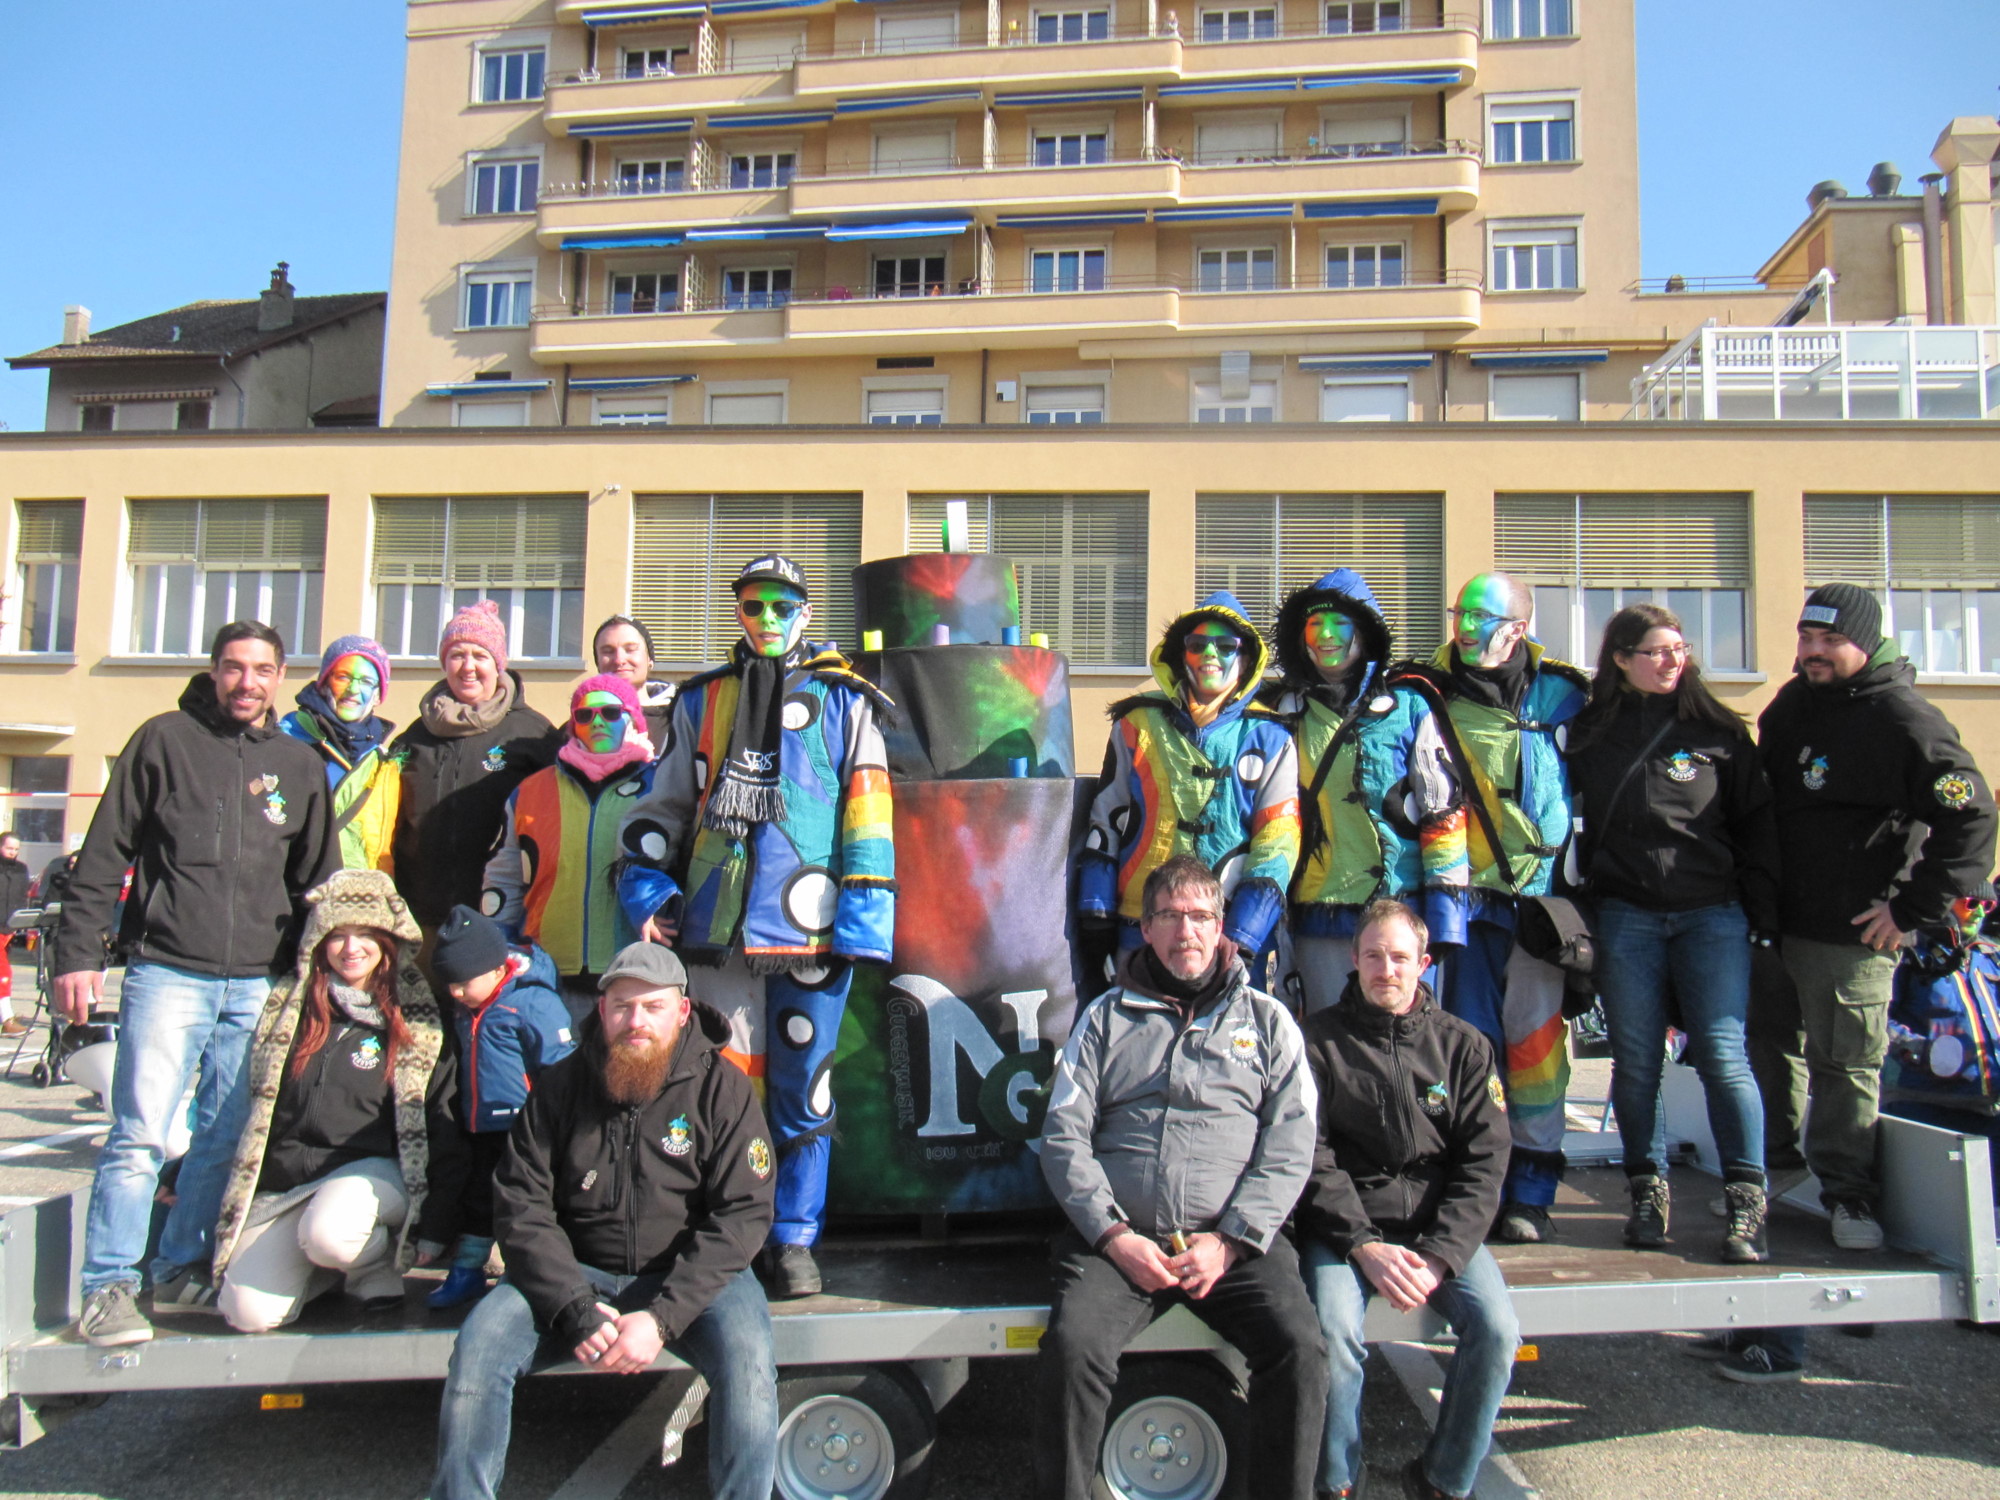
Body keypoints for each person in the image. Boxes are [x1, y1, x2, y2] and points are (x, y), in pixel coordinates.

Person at [617, 554, 894, 1299]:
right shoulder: (701, 701)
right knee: (720, 1083)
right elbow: (664, 806)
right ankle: (723, 1233)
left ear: (806, 614)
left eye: (782, 606)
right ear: (738, 612)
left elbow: (867, 807)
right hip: (717, 926)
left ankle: (794, 1237)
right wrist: (648, 892)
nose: (767, 619)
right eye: (753, 606)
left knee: (806, 1087)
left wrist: (863, 921)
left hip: (810, 927)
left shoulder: (844, 699)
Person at [56, 621, 339, 1347]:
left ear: (280, 678)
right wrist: (77, 955)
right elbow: (102, 856)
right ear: (214, 672)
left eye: (263, 670)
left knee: (226, 1135)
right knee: (141, 1134)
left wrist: (319, 976)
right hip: (167, 971)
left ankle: (180, 1264)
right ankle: (109, 1286)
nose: (248, 682)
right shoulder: (163, 742)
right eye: (234, 667)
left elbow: (319, 882)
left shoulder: (298, 764)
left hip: (256, 983)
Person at [430, 941, 778, 1500]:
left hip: (690, 1277)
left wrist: (662, 1319)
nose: (636, 1021)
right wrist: (573, 1309)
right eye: (622, 1006)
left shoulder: (724, 1088)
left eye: (652, 1007)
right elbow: (521, 1205)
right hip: (576, 1274)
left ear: (681, 1011)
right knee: (479, 1347)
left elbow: (744, 1212)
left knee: (750, 1365)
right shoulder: (559, 1086)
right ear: (602, 1009)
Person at [1035, 855, 1325, 1500]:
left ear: (1221, 927)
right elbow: (1062, 1136)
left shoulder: (1267, 1021)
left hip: (1235, 1247)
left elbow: (1292, 1141)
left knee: (1301, 1350)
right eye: (1167, 916)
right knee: (1073, 1348)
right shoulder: (1104, 1019)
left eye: (1199, 916)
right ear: (1145, 929)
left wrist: (1231, 1240)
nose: (1184, 931)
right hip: (1122, 1246)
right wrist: (1114, 1238)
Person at [1757, 584, 1997, 1252]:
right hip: (1775, 925)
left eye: (1831, 641)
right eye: (1807, 638)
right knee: (1770, 1051)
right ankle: (1778, 1172)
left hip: (1853, 935)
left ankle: (1848, 1195)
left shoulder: (1906, 720)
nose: (1814, 652)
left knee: (1845, 1065)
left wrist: (1912, 910)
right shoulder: (1793, 705)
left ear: (1866, 642)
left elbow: (1972, 819)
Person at [1566, 603, 1780, 1261]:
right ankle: (1647, 1193)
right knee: (1636, 1062)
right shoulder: (1588, 733)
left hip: (1711, 914)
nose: (1671, 661)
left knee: (1722, 1054)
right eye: (1655, 651)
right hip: (1627, 915)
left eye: (1678, 650)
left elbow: (1757, 828)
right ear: (1621, 659)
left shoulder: (1719, 733)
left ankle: (1747, 1203)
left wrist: (1763, 918)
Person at [1391, 573, 1587, 1244]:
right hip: (1460, 906)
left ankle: (1532, 1191)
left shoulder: (1566, 695)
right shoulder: (1421, 691)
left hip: (1539, 907)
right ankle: (1474, 1188)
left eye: (1483, 617)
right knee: (1466, 1049)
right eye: (1461, 613)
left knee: (1536, 1051)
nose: (1466, 627)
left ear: (1520, 629)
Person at [1297, 899, 1516, 1500]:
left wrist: (1442, 1256)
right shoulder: (1316, 1044)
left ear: (1424, 963)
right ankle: (1339, 1482)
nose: (1385, 970)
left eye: (1399, 957)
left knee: (1497, 1332)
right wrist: (1363, 1247)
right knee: (1332, 1337)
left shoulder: (1464, 1048)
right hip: (1345, 1231)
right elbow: (1309, 1157)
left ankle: (1443, 1481)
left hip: (1435, 1232)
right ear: (1353, 958)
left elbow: (1486, 1161)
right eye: (1373, 956)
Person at [210, 870, 466, 1332]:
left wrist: (437, 1226)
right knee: (247, 1312)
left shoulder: (419, 1019)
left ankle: (371, 1266)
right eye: (338, 935)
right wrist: (179, 1170)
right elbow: (244, 1106)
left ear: (388, 941)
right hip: (288, 1186)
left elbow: (443, 1121)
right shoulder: (287, 1011)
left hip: (371, 1177)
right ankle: (324, 1270)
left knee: (331, 1232)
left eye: (365, 934)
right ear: (319, 942)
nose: (351, 949)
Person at [1079, 591, 1299, 994]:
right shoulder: (1137, 723)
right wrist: (1097, 911)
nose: (1209, 654)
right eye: (1197, 644)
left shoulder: (1269, 736)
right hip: (1141, 925)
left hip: (1224, 934)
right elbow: (1107, 816)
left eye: (1225, 646)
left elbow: (1278, 842)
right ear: (1182, 654)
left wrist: (1244, 935)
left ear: (1246, 658)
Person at [1257, 570, 1457, 1013]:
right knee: (1325, 1037)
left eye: (1339, 624)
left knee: (1403, 1034)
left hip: (1400, 913)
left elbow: (1442, 812)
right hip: (1318, 915)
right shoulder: (1280, 710)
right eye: (1315, 625)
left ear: (1365, 632)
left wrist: (1446, 923)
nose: (1326, 636)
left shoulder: (1411, 707)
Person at [426, 905, 575, 1310]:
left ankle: (530, 1271)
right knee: (479, 1200)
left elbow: (561, 1065)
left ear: (496, 970)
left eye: (464, 983)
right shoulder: (465, 1010)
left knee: (528, 1201)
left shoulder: (531, 1003)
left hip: (525, 1127)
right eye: (450, 984)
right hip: (480, 1126)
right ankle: (467, 1270)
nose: (456, 993)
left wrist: (554, 1121)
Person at [481, 674, 656, 1011]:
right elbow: (503, 877)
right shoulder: (531, 791)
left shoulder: (661, 785)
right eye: (585, 715)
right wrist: (498, 946)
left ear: (634, 719)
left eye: (611, 713)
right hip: (549, 974)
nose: (597, 722)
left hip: (637, 977)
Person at [389, 601, 558, 945]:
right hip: (421, 920)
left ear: (498, 664)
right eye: (457, 655)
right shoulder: (413, 738)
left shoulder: (533, 734)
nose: (468, 667)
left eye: (480, 656)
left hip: (502, 920)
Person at [280, 635, 402, 873]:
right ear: (324, 683)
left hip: (360, 892)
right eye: (343, 677)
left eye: (366, 681)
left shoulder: (385, 761)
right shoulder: (287, 743)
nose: (353, 690)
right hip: (298, 889)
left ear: (378, 695)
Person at [592, 614, 676, 753]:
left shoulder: (681, 720)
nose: (619, 660)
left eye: (630, 649)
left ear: (649, 659)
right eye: (608, 651)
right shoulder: (583, 722)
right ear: (598, 663)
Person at [0, 832, 32, 1035]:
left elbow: (22, 896)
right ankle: (7, 1020)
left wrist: (21, 923)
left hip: (9, 928)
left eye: (16, 849)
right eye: (9, 848)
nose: (13, 852)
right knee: (3, 973)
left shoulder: (21, 869)